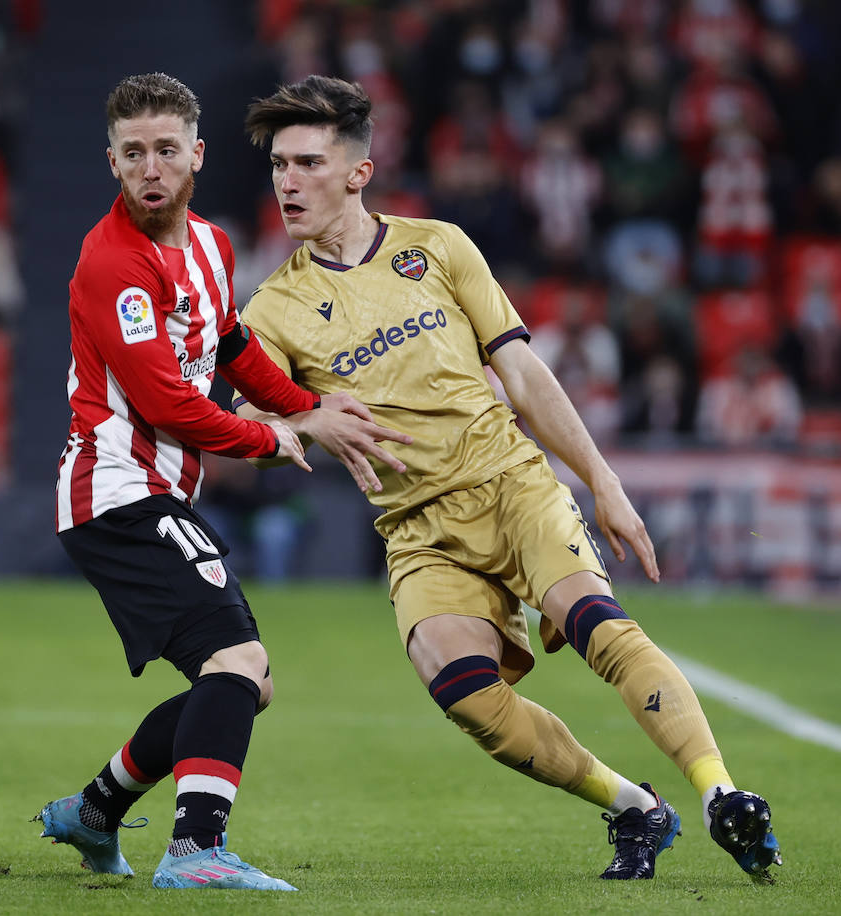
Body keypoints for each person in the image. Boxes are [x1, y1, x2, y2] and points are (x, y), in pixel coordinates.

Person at [234, 75, 781, 883]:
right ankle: (637, 807)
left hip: (509, 482)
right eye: (279, 163)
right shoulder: (271, 311)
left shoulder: (441, 246)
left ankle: (720, 795)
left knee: (600, 625)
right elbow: (254, 433)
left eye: (308, 161)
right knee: (467, 698)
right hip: (416, 529)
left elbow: (522, 375)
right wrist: (297, 425)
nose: (286, 181)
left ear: (357, 171)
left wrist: (601, 478)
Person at [36, 72, 407, 892]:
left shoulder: (210, 244)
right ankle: (194, 851)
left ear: (196, 155)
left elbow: (232, 345)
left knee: (246, 683)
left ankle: (95, 811)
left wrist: (312, 406)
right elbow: (170, 404)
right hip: (116, 492)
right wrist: (279, 436)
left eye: (166, 149)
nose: (151, 168)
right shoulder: (111, 265)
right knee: (236, 659)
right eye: (133, 153)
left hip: (156, 494)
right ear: (112, 163)